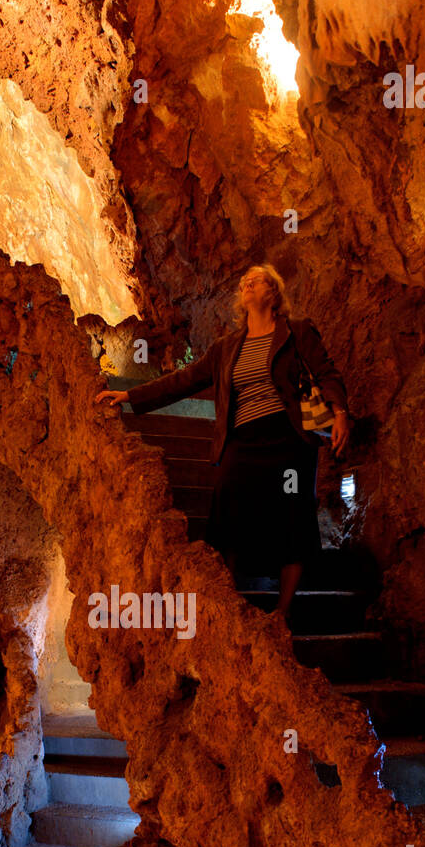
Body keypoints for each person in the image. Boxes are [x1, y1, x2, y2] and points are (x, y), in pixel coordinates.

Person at [95, 264, 350, 620]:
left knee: (293, 519)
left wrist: (340, 413)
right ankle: (228, 602)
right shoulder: (227, 348)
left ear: (273, 293)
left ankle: (283, 609)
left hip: (288, 439)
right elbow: (184, 380)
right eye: (244, 281)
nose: (247, 283)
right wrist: (130, 396)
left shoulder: (297, 332)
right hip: (242, 441)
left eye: (256, 280)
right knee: (229, 512)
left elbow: (326, 371)